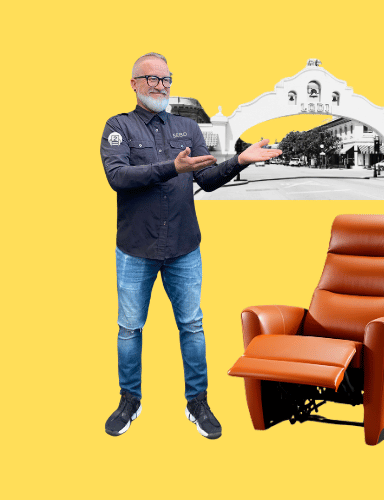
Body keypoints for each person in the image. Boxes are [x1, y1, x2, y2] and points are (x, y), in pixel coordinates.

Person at [100, 52, 281, 439]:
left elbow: (210, 179)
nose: (160, 86)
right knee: (130, 328)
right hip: (136, 249)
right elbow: (118, 177)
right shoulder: (118, 127)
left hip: (184, 246)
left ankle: (197, 401)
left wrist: (240, 160)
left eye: (166, 79)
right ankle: (129, 399)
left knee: (192, 325)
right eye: (151, 79)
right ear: (133, 83)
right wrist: (172, 168)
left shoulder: (186, 127)